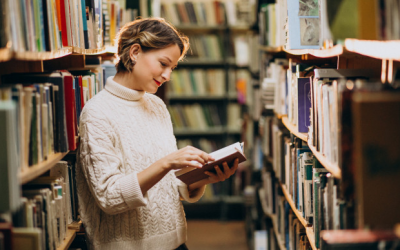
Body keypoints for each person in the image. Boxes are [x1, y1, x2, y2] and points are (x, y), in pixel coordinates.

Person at [76, 17, 239, 250]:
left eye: (172, 68)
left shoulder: (156, 106)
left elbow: (169, 187)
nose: (167, 76)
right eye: (163, 64)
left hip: (176, 242)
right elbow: (109, 197)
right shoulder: (97, 113)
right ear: (134, 52)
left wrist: (204, 177)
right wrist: (166, 163)